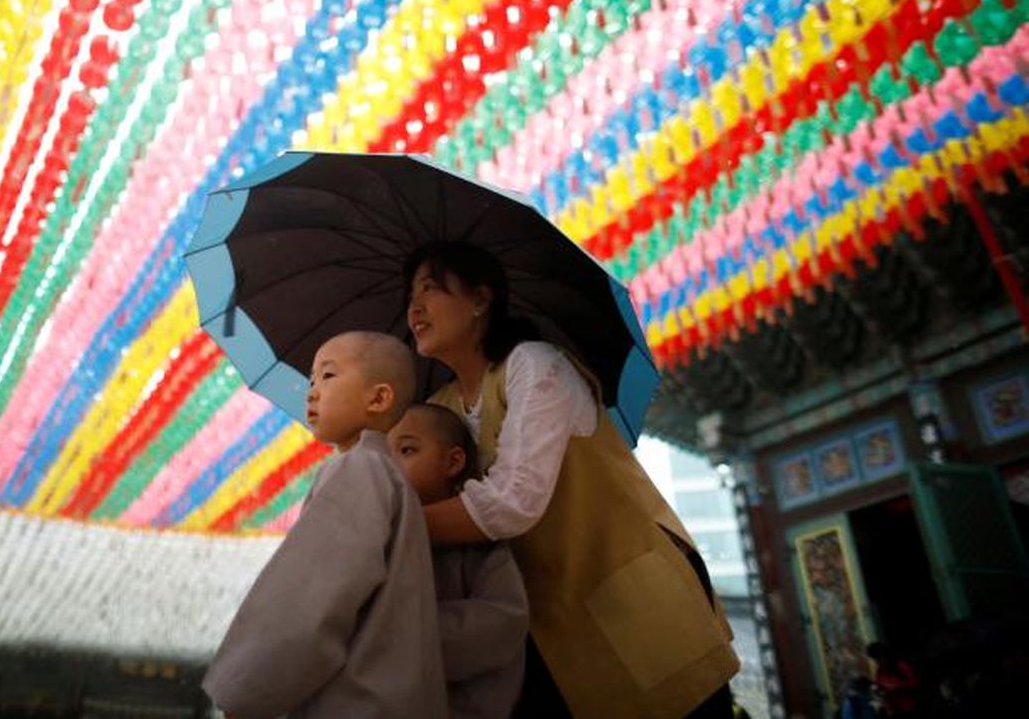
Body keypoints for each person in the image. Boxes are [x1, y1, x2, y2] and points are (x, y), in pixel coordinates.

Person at [405, 241, 740, 719]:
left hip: (632, 600)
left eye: (431, 289)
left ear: (481, 299)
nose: (414, 306)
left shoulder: (535, 365)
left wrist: (396, 526)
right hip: (547, 629)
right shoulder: (438, 409)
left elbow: (513, 501)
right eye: (411, 294)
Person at [203, 331, 449, 719]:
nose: (312, 391)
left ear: (379, 398)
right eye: (313, 378)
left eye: (329, 376)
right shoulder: (387, 476)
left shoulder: (359, 469)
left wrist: (250, 694)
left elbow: (311, 602)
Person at [390, 403, 529, 718]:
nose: (390, 466)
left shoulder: (478, 544)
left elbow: (503, 623)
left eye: (407, 450)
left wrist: (396, 638)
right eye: (382, 457)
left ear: (453, 461)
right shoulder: (377, 539)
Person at [865, 642, 921, 717]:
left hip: (910, 709)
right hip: (894, 712)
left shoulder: (900, 666)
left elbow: (916, 683)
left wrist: (897, 687)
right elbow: (879, 691)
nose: (878, 662)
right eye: (875, 659)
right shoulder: (879, 674)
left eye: (879, 657)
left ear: (885, 655)